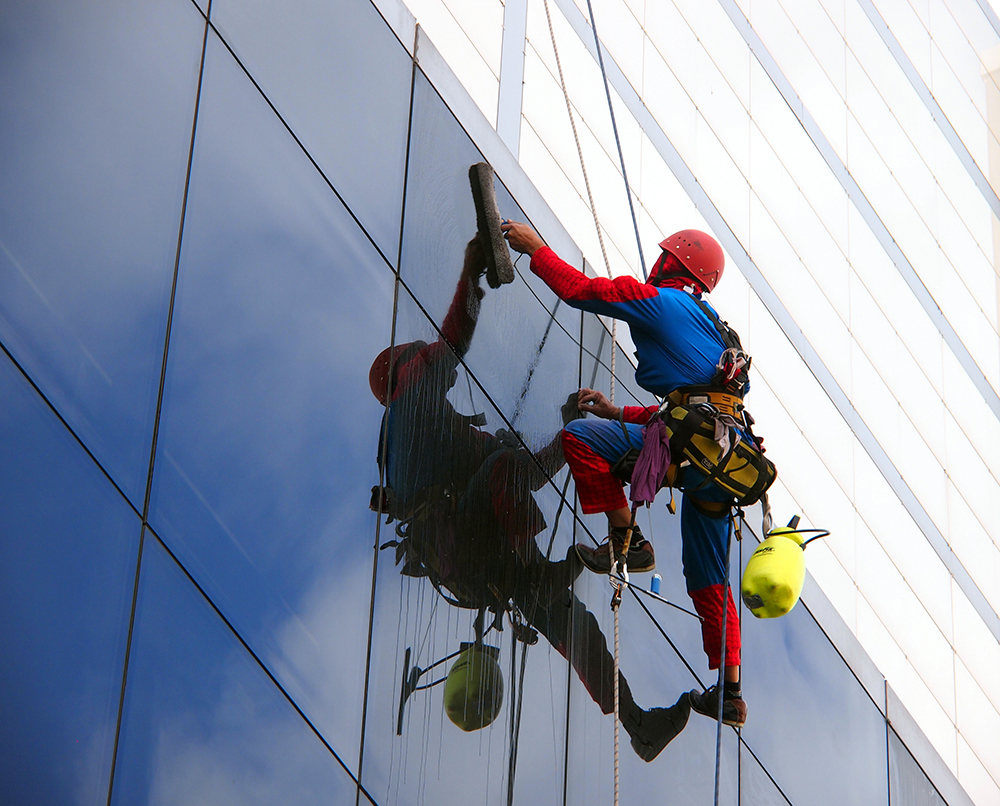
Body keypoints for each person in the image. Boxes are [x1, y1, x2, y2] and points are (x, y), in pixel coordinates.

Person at [370, 235, 690, 759]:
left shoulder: (433, 437)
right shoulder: (411, 395)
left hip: (477, 557)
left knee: (568, 620)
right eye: (420, 358)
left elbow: (523, 478)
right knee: (504, 469)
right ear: (405, 368)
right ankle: (536, 573)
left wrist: (569, 435)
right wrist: (473, 271)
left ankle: (636, 723)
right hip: (475, 547)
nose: (430, 359)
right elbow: (456, 337)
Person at [501, 222, 750, 728]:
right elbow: (689, 410)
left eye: (661, 261)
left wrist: (538, 250)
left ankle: (626, 539)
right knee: (709, 577)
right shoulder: (713, 326)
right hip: (724, 461)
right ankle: (731, 692)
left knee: (580, 439)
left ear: (671, 265)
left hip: (693, 446)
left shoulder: (663, 302)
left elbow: (580, 292)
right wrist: (619, 413)